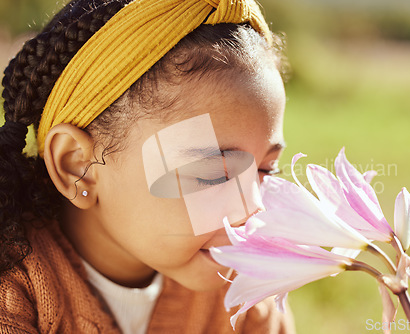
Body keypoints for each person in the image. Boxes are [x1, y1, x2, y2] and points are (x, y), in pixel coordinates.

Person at [0, 0, 295, 332]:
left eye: (265, 170)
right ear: (77, 165)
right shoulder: (13, 293)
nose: (253, 208)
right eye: (215, 173)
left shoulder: (245, 294)